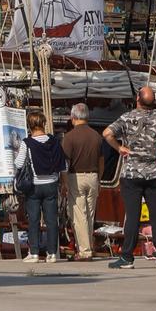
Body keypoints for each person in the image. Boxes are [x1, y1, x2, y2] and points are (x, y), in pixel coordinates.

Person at [103, 84, 156, 269]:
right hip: (154, 173)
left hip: (131, 173)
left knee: (133, 215)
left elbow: (107, 133)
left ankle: (127, 257)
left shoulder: (127, 118)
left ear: (137, 98)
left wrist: (119, 147)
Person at [60, 102, 104, 261]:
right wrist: (99, 179)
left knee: (79, 215)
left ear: (73, 117)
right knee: (89, 215)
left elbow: (64, 164)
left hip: (76, 177)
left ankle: (84, 251)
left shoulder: (69, 137)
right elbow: (101, 161)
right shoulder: (97, 136)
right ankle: (88, 247)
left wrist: (64, 183)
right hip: (93, 177)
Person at [22, 109, 66, 264]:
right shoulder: (54, 141)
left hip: (34, 185)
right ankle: (52, 253)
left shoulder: (27, 143)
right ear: (44, 123)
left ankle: (34, 253)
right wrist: (63, 183)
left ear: (30, 125)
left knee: (33, 220)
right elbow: (63, 164)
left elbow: (18, 163)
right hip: (51, 184)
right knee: (51, 220)